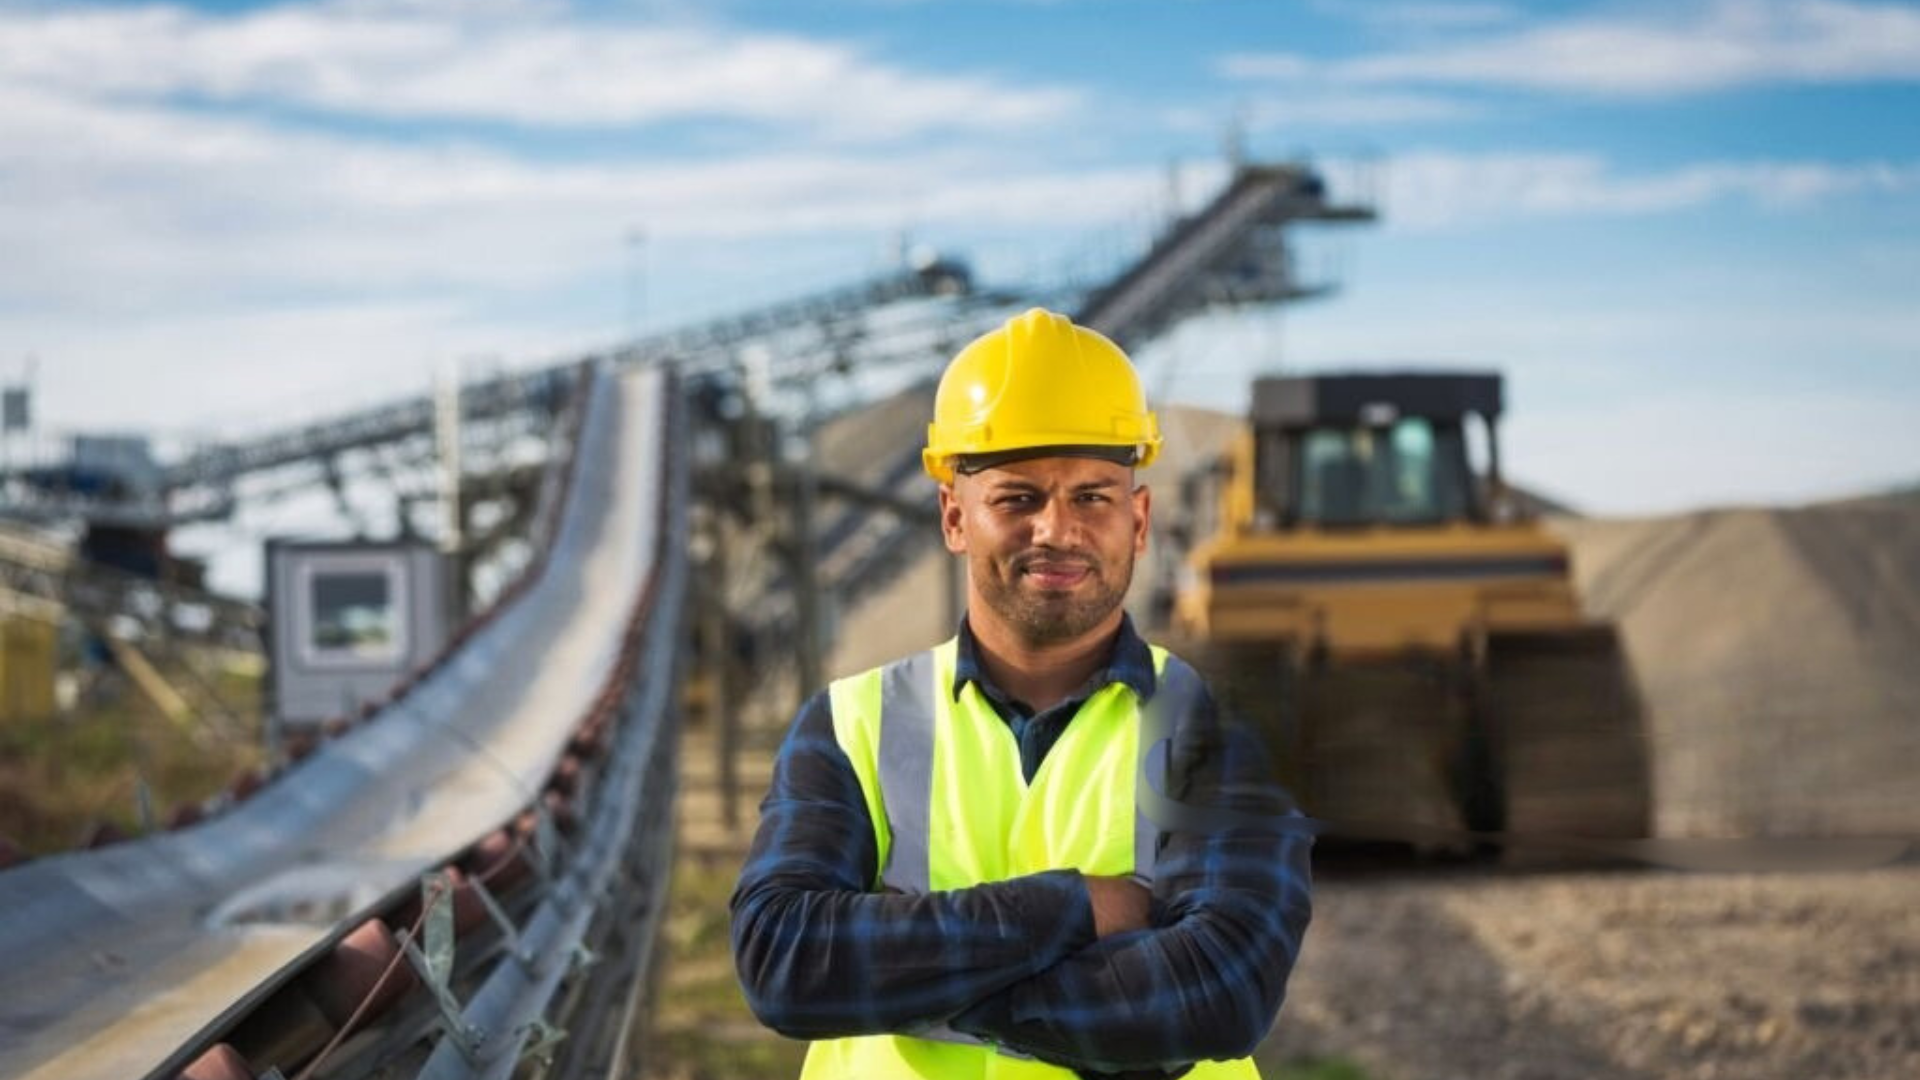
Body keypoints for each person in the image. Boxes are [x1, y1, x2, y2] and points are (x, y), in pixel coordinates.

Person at [730, 308, 1313, 1079]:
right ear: (954, 517)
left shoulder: (1219, 733)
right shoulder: (849, 725)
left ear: (1138, 520)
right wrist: (1079, 908)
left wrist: (915, 985)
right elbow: (786, 960)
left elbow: (1223, 989)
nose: (1057, 530)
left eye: (1093, 497)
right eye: (1017, 499)